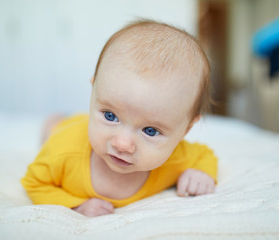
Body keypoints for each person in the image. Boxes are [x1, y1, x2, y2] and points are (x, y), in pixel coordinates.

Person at [21, 19, 218, 217]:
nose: (123, 144)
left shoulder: (177, 157)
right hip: (68, 129)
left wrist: (201, 173)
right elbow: (34, 182)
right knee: (54, 130)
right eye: (110, 115)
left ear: (186, 129)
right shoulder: (63, 153)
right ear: (93, 90)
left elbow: (204, 155)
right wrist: (76, 205)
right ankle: (56, 121)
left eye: (150, 130)